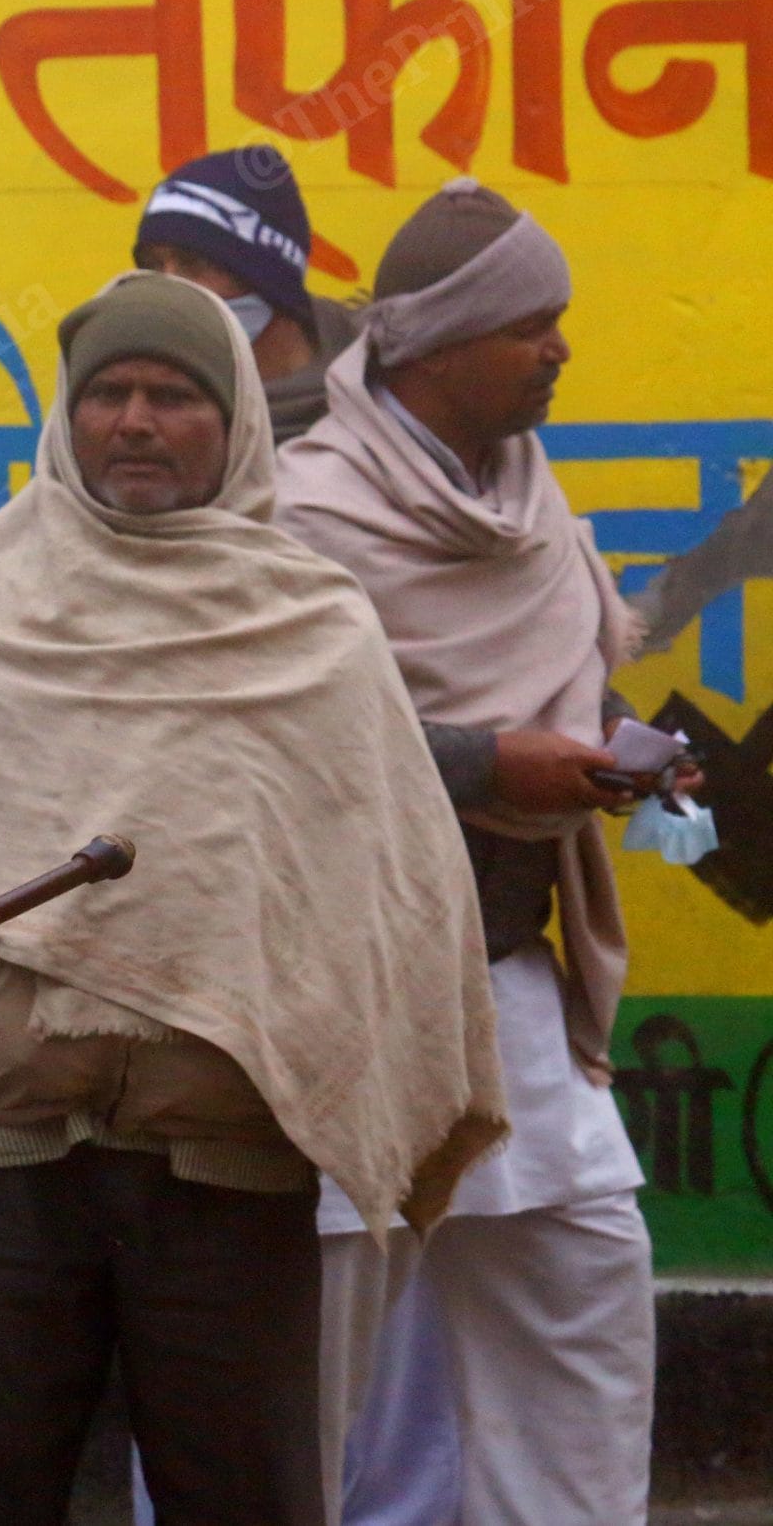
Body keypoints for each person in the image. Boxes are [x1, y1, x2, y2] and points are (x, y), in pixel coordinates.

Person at [0, 273, 505, 1526]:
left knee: (240, 1498)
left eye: (175, 396)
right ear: (68, 419)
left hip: (224, 1171)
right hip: (8, 1161)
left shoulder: (313, 627)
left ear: (235, 422)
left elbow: (391, 890)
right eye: (109, 396)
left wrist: (268, 1024)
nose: (135, 423)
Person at [278, 179, 672, 1525]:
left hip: (508, 973)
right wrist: (486, 765)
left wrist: (613, 744)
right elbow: (288, 737)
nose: (559, 348)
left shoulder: (529, 497)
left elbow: (561, 678)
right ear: (439, 344)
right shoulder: (308, 511)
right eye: (532, 325)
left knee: (582, 1284)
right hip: (347, 994)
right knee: (315, 1365)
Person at [134, 147, 361, 442]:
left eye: (193, 263)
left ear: (269, 279)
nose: (167, 287)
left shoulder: (385, 409)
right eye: (153, 266)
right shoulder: (137, 415)